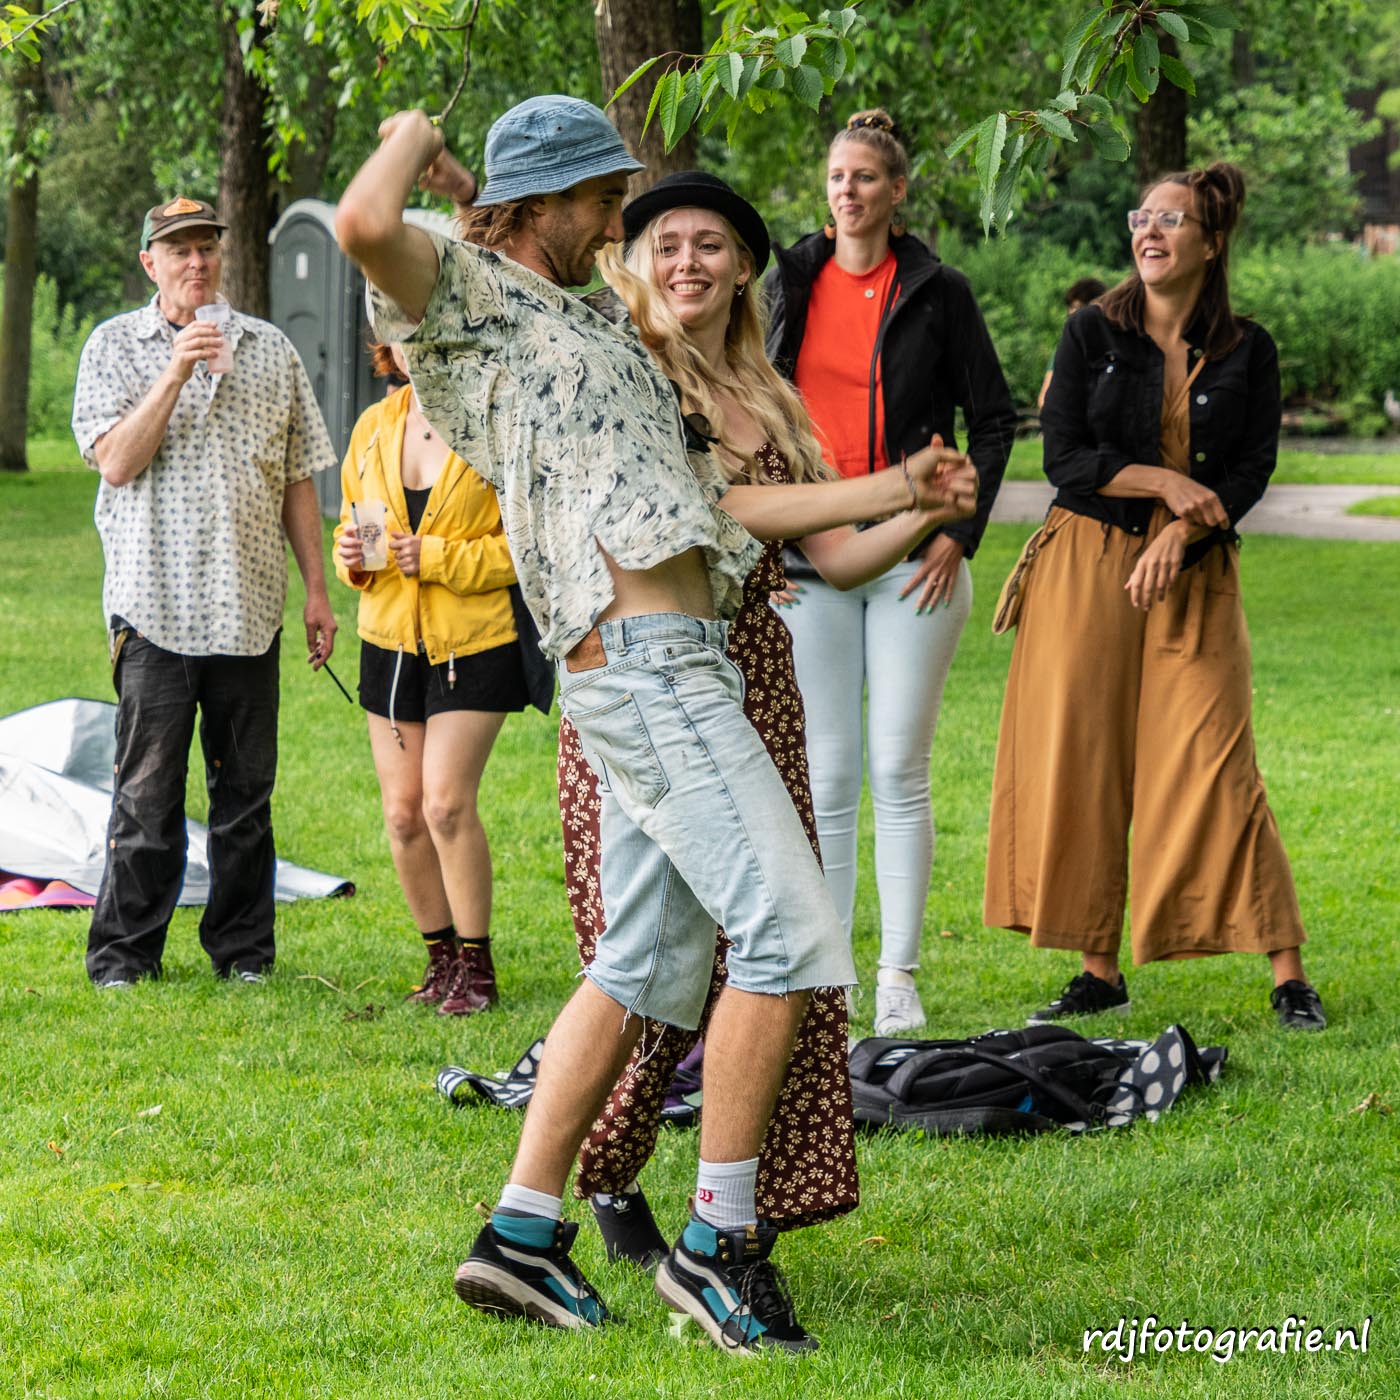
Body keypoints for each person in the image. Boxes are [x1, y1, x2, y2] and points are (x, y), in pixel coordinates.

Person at [335, 98, 975, 1352]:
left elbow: (732, 501)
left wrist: (903, 489)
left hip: (680, 659)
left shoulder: (581, 317)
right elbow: (363, 221)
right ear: (545, 200)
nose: (615, 218)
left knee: (643, 964)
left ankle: (520, 1231)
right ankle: (716, 1245)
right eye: (599, 197)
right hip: (642, 664)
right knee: (787, 930)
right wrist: (425, 136)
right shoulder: (467, 298)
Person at [559, 171, 978, 1265]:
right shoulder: (637, 376)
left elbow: (830, 555)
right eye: (664, 244)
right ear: (635, 262)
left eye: (708, 244)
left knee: (765, 950)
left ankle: (741, 1200)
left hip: (758, 683)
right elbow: (717, 508)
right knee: (660, 959)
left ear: (744, 267)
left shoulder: (766, 392)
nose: (685, 262)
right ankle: (607, 1174)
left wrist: (925, 512)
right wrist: (891, 485)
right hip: (655, 683)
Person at [983, 163, 1327, 1033]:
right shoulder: (1090, 332)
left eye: (1171, 220)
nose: (1150, 231)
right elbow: (1064, 458)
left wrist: (1183, 530)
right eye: (1143, 217)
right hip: (1087, 562)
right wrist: (1166, 486)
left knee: (1218, 760)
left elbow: (1250, 470)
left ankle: (1288, 971)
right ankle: (1098, 970)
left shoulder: (1248, 348)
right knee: (1086, 758)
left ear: (1211, 244)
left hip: (1195, 573)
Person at [764, 110, 1017, 1034]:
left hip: (917, 561)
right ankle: (829, 977)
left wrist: (961, 533)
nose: (849, 190)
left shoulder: (939, 291)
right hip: (812, 558)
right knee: (827, 775)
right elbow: (752, 409)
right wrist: (766, 545)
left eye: (866, 177)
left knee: (899, 768)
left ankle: (897, 979)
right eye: (838, 176)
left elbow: (995, 418)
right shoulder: (788, 281)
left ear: (897, 192)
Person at [72, 196, 337, 988]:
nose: (197, 261)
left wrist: (316, 592)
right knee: (147, 797)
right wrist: (176, 369)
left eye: (207, 247)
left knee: (246, 797)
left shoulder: (272, 350)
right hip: (154, 607)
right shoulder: (114, 347)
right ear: (149, 263)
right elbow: (116, 462)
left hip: (249, 608)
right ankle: (124, 956)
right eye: (179, 249)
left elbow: (297, 478)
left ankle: (244, 953)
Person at [333, 342, 551, 1015]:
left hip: (474, 643)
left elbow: (529, 544)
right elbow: (353, 525)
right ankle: (441, 961)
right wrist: (351, 556)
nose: (416, 339)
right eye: (401, 328)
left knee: (445, 805)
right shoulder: (375, 426)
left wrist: (436, 558)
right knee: (402, 815)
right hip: (388, 642)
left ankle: (478, 971)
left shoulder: (496, 421)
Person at [1036, 276, 1107, 411]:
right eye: (1071, 310)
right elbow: (1044, 399)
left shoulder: (1116, 348)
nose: (1073, 316)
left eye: (1079, 309)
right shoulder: (1066, 349)